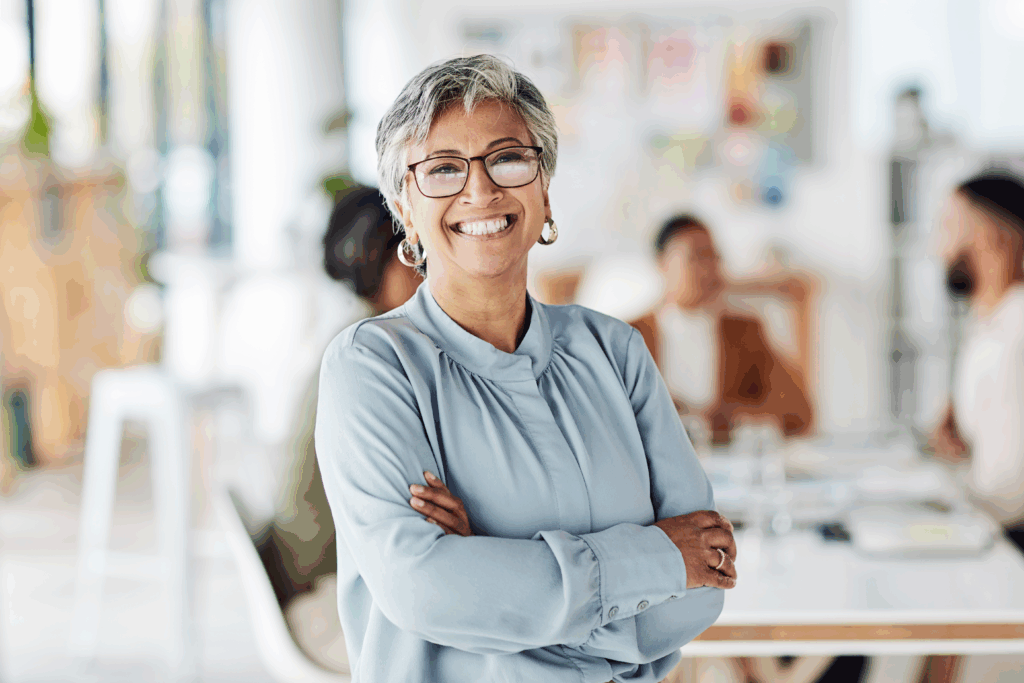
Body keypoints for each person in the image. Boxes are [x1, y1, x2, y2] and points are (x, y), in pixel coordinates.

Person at [315, 55, 736, 683]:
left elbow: (704, 582)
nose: (480, 190)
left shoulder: (615, 351)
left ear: (544, 188)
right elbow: (424, 592)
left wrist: (491, 580)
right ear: (404, 206)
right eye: (443, 169)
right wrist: (652, 562)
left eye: (508, 158)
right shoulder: (372, 366)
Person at [264, 186, 420, 667]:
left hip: (318, 578)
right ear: (390, 261)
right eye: (416, 254)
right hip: (328, 597)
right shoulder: (374, 353)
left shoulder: (359, 334)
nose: (428, 270)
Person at [630, 215, 815, 445]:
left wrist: (733, 417)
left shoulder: (744, 333)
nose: (710, 269)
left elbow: (799, 412)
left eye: (714, 257)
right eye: (697, 257)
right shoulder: (628, 336)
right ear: (662, 264)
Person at [932, 170, 1024, 536]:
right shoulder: (990, 322)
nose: (936, 248)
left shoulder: (1016, 324)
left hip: (1008, 533)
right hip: (993, 522)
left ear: (989, 233)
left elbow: (1010, 487)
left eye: (947, 227)